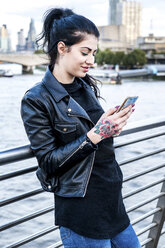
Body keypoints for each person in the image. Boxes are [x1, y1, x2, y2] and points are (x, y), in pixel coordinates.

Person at [21, 8, 141, 248]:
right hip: (82, 212)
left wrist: (110, 128)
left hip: (113, 204)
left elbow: (95, 135)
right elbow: (48, 161)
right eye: (85, 52)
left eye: (94, 53)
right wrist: (97, 134)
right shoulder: (36, 99)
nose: (92, 61)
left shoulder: (85, 85)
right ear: (62, 48)